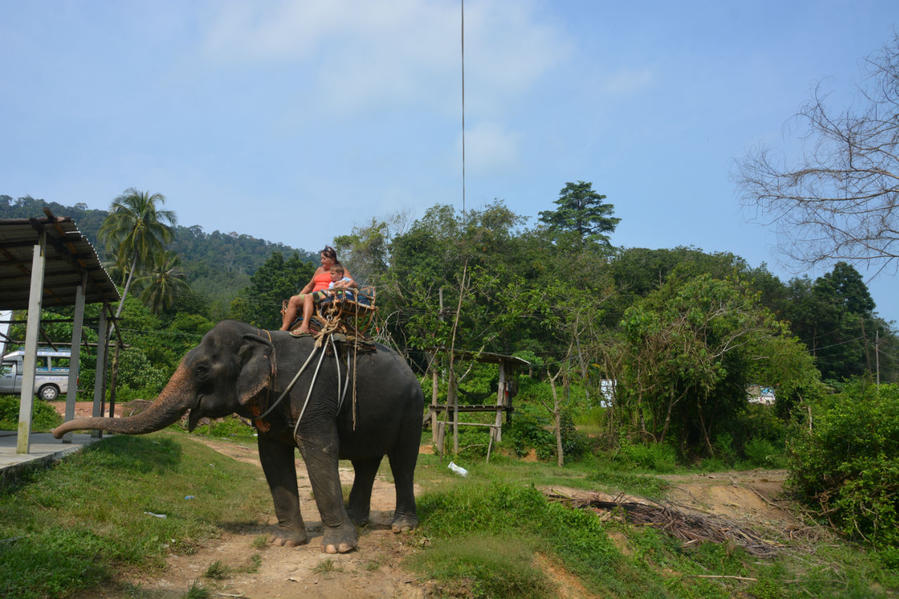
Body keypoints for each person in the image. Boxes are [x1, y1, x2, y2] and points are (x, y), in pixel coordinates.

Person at [279, 246, 351, 332]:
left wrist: (341, 285)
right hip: (313, 295)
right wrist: (299, 295)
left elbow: (351, 282)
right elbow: (309, 286)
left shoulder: (340, 269)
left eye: (324, 259)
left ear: (332, 259)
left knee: (308, 297)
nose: (321, 261)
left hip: (325, 295)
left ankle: (304, 326)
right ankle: (283, 329)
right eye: (321, 259)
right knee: (293, 299)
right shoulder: (319, 270)